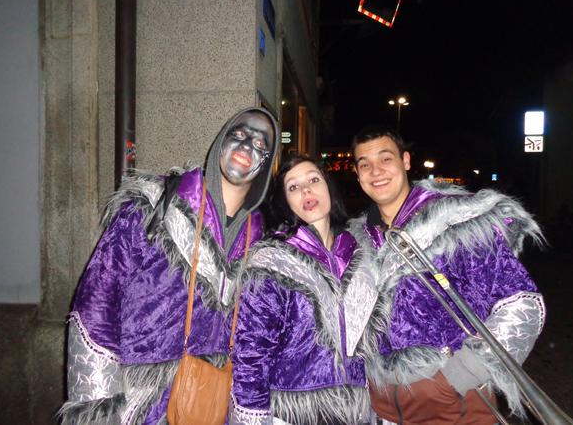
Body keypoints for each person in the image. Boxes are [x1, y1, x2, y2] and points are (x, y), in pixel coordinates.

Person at [59, 107, 279, 424]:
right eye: (240, 135)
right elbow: (97, 302)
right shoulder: (154, 204)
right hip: (138, 405)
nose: (247, 147)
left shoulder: (259, 242)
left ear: (266, 163)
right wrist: (97, 407)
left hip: (208, 406)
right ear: (221, 141)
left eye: (260, 144)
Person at [347, 125, 545, 425]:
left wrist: (455, 378)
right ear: (357, 174)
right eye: (365, 164)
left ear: (406, 161)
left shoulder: (457, 224)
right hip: (384, 409)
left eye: (385, 159)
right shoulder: (357, 240)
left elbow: (522, 304)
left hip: (454, 406)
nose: (376, 171)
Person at [229, 156, 378, 425]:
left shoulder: (360, 253)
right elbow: (250, 354)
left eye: (313, 180)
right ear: (285, 201)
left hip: (356, 410)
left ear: (328, 187)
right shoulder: (272, 262)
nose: (306, 190)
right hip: (293, 412)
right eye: (293, 187)